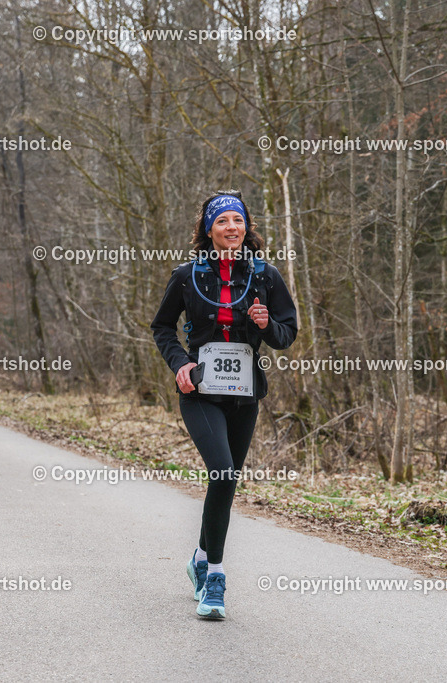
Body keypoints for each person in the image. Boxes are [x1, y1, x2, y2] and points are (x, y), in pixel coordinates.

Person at [151, 190, 297, 619]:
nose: (231, 228)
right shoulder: (186, 276)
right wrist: (179, 363)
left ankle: (200, 554)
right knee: (222, 469)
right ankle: (214, 576)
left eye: (238, 220)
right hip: (200, 392)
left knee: (227, 481)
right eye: (222, 222)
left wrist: (267, 324)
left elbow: (286, 335)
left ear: (246, 228)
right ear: (208, 231)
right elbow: (162, 327)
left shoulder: (266, 276)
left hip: (245, 394)